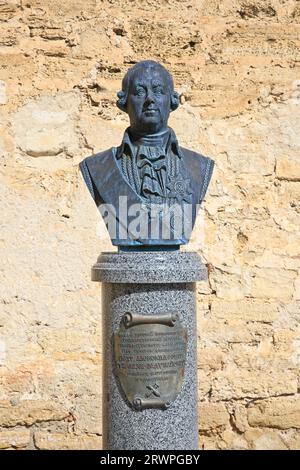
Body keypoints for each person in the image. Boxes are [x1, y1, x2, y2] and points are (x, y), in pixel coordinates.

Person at [79, 60, 214, 248]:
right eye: (139, 92)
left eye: (158, 91)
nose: (150, 99)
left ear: (171, 101)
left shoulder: (197, 166)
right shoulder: (98, 167)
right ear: (124, 102)